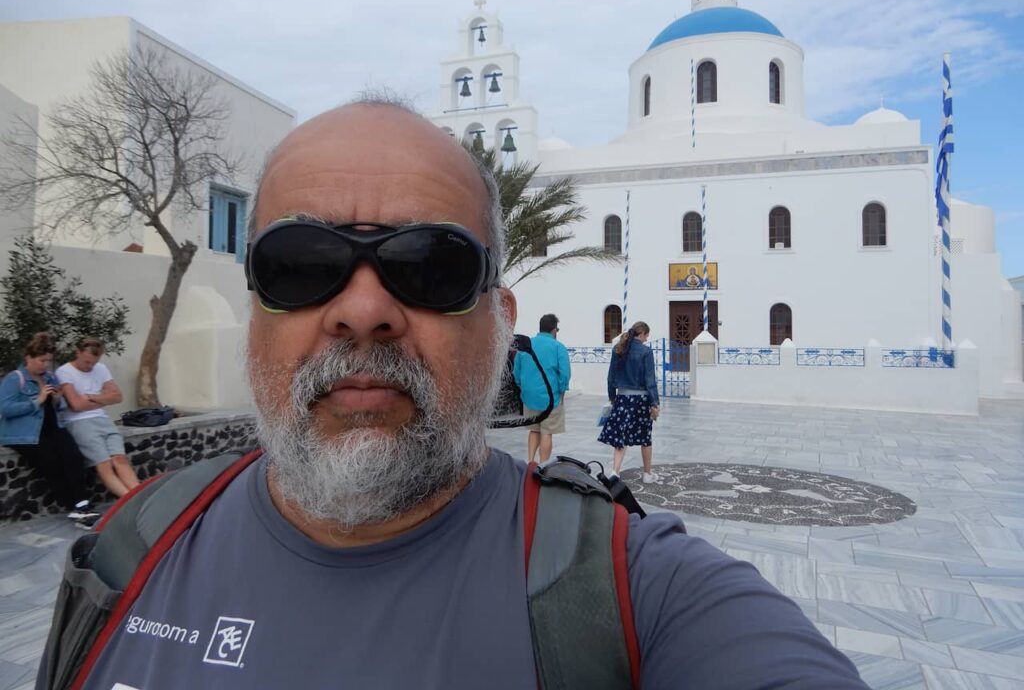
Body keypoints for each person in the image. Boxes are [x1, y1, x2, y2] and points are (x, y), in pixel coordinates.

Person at [70, 98, 868, 689]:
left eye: (431, 267)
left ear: (501, 324)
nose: (363, 310)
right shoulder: (128, 550)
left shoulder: (632, 595)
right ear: (254, 311)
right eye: (302, 264)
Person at [0, 332, 98, 525]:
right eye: (41, 360)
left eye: (48, 361)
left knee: (74, 458)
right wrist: (37, 401)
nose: (45, 365)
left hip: (53, 427)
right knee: (52, 464)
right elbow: (5, 408)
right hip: (27, 434)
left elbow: (58, 408)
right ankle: (74, 506)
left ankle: (82, 505)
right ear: (29, 357)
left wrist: (56, 400)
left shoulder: (51, 377)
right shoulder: (15, 379)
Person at [56, 337, 139, 498]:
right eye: (87, 362)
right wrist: (103, 399)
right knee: (104, 464)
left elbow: (117, 396)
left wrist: (91, 397)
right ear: (78, 352)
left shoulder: (100, 368)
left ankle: (139, 494)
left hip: (102, 420)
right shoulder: (64, 372)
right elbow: (76, 405)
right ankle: (129, 499)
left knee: (120, 459)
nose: (90, 367)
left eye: (93, 363)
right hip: (79, 422)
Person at [599, 322, 660, 482]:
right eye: (646, 336)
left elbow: (611, 378)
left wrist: (612, 398)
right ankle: (647, 474)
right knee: (646, 437)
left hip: (622, 398)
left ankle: (615, 472)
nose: (646, 340)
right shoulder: (646, 352)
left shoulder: (618, 349)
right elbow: (650, 380)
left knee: (621, 435)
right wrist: (655, 403)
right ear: (643, 334)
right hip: (641, 400)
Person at [513, 313, 570, 463]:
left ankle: (531, 461)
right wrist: (562, 392)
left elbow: (516, 372)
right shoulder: (558, 347)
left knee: (533, 429)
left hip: (529, 396)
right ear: (554, 330)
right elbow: (565, 374)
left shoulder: (525, 346)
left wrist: (523, 387)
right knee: (547, 433)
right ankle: (543, 465)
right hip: (551, 397)